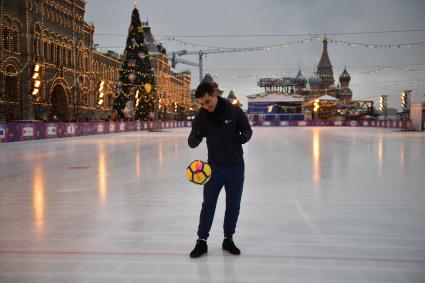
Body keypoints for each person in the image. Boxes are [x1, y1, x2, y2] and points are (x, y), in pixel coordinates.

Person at [188, 80, 252, 258]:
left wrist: (243, 137)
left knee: (233, 205)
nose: (205, 106)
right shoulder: (201, 116)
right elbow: (192, 142)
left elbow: (247, 129)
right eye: (201, 104)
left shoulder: (234, 110)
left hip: (235, 167)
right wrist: (198, 134)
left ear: (215, 94)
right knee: (208, 205)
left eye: (207, 102)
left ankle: (228, 239)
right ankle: (201, 241)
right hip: (214, 168)